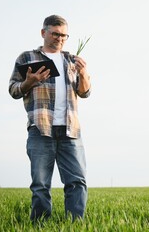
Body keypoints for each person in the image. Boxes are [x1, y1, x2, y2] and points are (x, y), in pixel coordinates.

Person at [8, 15, 91, 221]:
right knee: (40, 184)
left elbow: (85, 93)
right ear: (43, 32)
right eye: (55, 33)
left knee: (77, 181)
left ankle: (75, 224)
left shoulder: (72, 59)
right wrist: (29, 82)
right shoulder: (27, 58)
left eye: (64, 35)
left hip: (70, 130)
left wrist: (84, 73)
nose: (60, 38)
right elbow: (13, 90)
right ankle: (40, 224)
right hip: (40, 128)